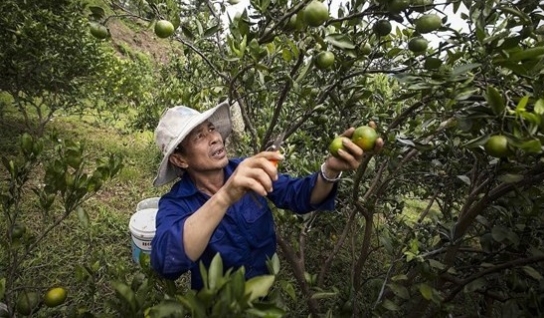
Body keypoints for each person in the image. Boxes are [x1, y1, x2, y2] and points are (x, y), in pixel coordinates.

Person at [150, 101, 383, 289]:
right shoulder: (176, 203)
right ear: (180, 159)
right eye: (199, 136)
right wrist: (225, 196)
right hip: (220, 307)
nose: (215, 138)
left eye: (211, 128)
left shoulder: (247, 170)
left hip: (264, 293)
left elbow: (298, 195)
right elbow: (167, 263)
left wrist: (330, 169)